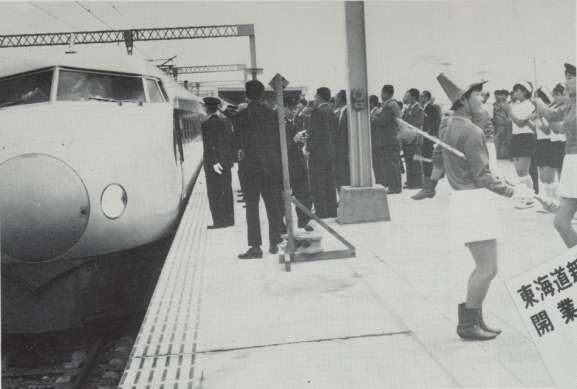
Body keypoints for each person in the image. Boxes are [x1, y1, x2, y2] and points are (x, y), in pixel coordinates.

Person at [434, 71, 534, 341]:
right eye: (477, 94)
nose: (482, 98)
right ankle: (468, 325)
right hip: (475, 201)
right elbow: (484, 177)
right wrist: (515, 192)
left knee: (483, 266)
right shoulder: (470, 130)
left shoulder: (448, 126)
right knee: (488, 268)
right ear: (463, 100)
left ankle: (474, 317)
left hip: (463, 200)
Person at [233, 80, 286, 259]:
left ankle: (255, 247)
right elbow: (280, 142)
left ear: (246, 95)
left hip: (250, 170)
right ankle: (274, 243)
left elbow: (237, 143)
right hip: (271, 169)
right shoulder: (273, 114)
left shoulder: (241, 116)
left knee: (252, 209)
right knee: (273, 207)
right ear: (263, 95)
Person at [531, 63, 577, 248]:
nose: (565, 83)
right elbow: (552, 117)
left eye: (570, 78)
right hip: (571, 161)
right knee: (560, 222)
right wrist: (539, 103)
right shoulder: (570, 106)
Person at [304, 87, 338, 218]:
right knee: (329, 182)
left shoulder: (317, 111)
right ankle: (331, 210)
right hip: (330, 152)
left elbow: (313, 133)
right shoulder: (331, 111)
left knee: (317, 182)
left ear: (319, 97)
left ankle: (321, 211)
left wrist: (307, 150)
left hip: (318, 153)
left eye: (315, 96)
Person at [502, 81, 537, 209]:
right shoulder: (516, 105)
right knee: (518, 171)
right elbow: (512, 123)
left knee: (524, 170)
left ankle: (530, 198)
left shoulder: (529, 105)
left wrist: (509, 111)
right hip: (516, 137)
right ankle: (524, 196)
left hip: (526, 138)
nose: (515, 93)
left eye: (517, 91)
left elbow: (521, 123)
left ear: (525, 92)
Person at [201, 97, 235, 229]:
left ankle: (219, 221)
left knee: (214, 192)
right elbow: (229, 143)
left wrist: (214, 162)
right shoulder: (226, 122)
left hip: (213, 165)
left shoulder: (206, 124)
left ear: (206, 108)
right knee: (227, 190)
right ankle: (230, 220)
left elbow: (208, 146)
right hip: (226, 163)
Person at [283, 96, 314, 231]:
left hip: (299, 164)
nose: (293, 111)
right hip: (285, 164)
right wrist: (292, 140)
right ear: (283, 108)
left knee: (305, 194)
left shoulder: (299, 121)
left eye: (295, 108)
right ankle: (281, 226)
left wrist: (302, 140)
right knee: (282, 198)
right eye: (290, 109)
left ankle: (303, 221)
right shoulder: (278, 123)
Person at [371, 84, 402, 194]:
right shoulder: (393, 104)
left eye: (382, 93)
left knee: (390, 165)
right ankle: (396, 186)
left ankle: (394, 187)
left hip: (388, 140)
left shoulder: (389, 106)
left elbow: (382, 122)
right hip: (392, 139)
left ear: (385, 93)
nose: (381, 95)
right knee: (393, 163)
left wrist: (373, 118)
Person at [533, 86, 558, 213]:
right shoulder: (537, 111)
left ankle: (555, 202)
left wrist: (539, 120)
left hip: (549, 143)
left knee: (549, 177)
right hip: (539, 143)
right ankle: (548, 202)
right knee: (542, 177)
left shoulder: (549, 111)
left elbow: (549, 130)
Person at [411, 90, 440, 199]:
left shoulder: (431, 109)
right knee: (425, 162)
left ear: (427, 97)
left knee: (429, 163)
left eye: (422, 96)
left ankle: (427, 189)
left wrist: (430, 136)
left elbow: (435, 124)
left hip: (428, 140)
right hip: (423, 140)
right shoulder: (421, 108)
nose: (420, 98)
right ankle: (428, 189)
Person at [401, 88, 424, 189]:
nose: (406, 97)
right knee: (408, 160)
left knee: (415, 161)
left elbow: (417, 124)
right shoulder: (409, 108)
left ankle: (418, 183)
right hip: (407, 138)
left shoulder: (418, 109)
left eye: (407, 96)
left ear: (414, 97)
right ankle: (410, 182)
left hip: (414, 139)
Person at [334, 90, 350, 191]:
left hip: (344, 152)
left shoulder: (348, 113)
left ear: (340, 99)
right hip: (338, 152)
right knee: (339, 177)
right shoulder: (339, 113)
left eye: (335, 98)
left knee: (345, 177)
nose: (335, 100)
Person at [493, 90, 513, 160]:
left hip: (505, 125)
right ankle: (499, 155)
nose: (500, 96)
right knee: (497, 140)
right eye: (500, 95)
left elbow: (509, 115)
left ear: (506, 96)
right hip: (499, 125)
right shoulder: (497, 104)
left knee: (505, 141)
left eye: (502, 95)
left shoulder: (507, 105)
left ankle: (503, 155)